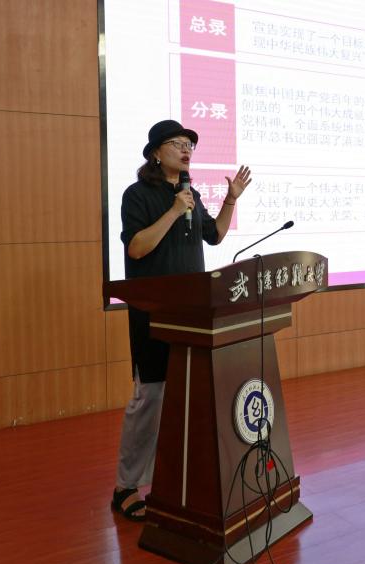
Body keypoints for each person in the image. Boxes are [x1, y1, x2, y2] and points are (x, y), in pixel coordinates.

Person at [112, 119, 252, 521]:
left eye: (189, 144)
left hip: (191, 313)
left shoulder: (190, 195)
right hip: (154, 313)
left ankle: (175, 480)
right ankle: (126, 487)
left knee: (188, 397)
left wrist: (230, 200)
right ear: (156, 153)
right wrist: (175, 211)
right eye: (177, 143)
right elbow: (137, 248)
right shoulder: (137, 195)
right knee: (151, 399)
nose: (186, 149)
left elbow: (215, 235)